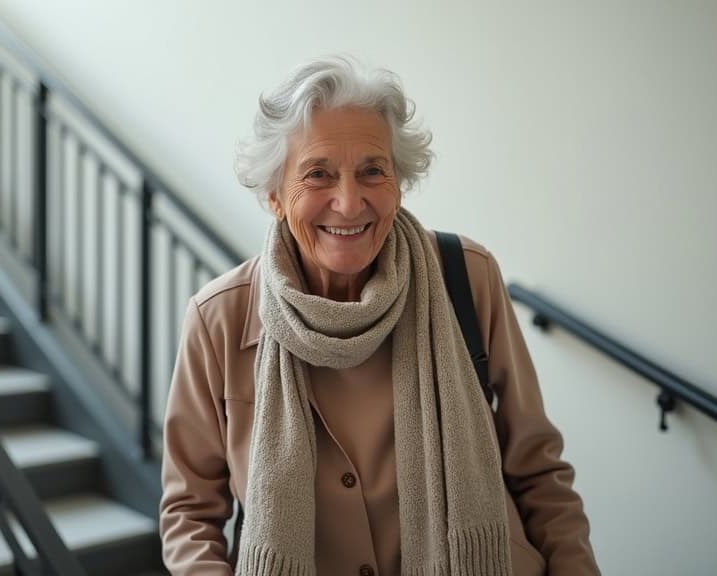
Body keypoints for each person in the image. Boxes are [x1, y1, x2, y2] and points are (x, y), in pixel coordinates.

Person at [160, 56, 599, 576]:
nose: (348, 203)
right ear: (275, 196)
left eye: (372, 171)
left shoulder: (469, 278)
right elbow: (189, 513)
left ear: (399, 181)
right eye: (318, 174)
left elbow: (539, 471)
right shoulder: (220, 318)